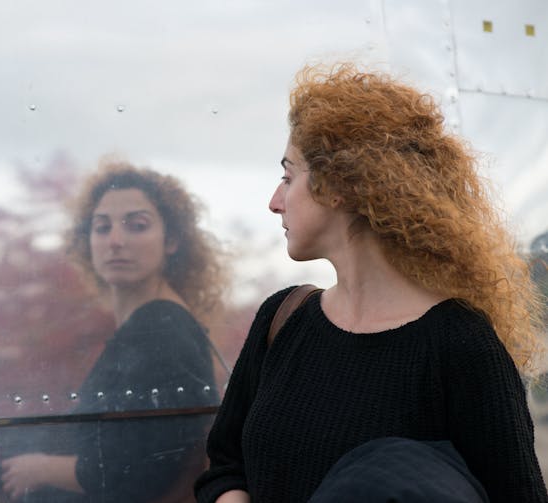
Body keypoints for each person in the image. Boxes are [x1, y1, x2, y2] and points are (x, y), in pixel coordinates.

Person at [194, 63, 548, 502]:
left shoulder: (462, 346)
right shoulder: (283, 318)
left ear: (337, 186)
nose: (274, 202)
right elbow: (224, 468)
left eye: (288, 176)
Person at [0, 161, 225, 502]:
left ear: (172, 240)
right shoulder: (150, 325)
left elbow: (144, 467)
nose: (115, 241)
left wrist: (41, 468)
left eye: (137, 225)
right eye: (102, 227)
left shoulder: (161, 329)